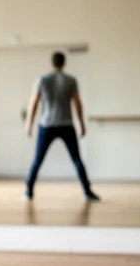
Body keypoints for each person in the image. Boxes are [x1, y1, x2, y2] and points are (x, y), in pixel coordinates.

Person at [23, 52, 100, 201]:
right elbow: (77, 103)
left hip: (46, 125)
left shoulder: (42, 80)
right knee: (77, 159)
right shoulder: (71, 80)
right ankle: (87, 192)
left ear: (52, 63)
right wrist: (81, 124)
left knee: (37, 160)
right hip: (66, 125)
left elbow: (33, 103)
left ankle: (28, 192)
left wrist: (29, 124)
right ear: (64, 63)